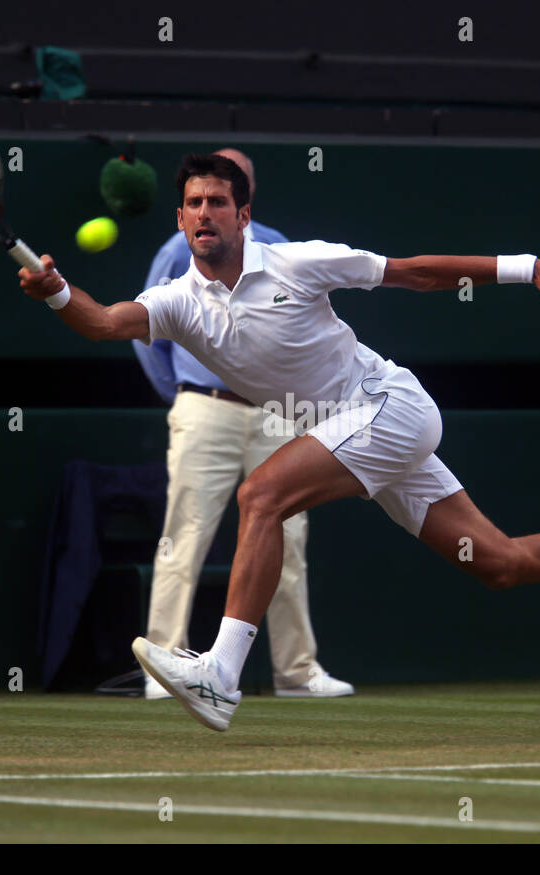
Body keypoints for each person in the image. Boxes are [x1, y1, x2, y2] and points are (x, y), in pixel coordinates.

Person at [20, 154, 540, 732]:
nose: (204, 213)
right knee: (500, 562)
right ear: (180, 220)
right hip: (356, 436)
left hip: (391, 409)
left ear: (243, 216)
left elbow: (415, 271)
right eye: (194, 204)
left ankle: (220, 675)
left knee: (261, 493)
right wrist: (55, 292)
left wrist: (525, 266)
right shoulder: (177, 302)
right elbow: (105, 322)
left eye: (217, 202)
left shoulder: (299, 264)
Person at [131, 148, 352, 700]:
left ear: (245, 200)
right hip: (204, 408)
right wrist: (183, 392)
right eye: (198, 199)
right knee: (183, 536)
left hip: (279, 413)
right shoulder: (175, 252)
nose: (208, 208)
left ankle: (297, 672)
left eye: (226, 192)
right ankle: (163, 671)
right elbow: (144, 329)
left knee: (288, 539)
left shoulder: (279, 246)